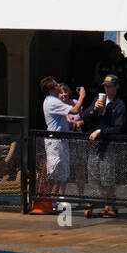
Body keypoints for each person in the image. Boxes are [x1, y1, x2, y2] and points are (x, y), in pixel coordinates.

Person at [81, 74, 127, 218]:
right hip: (94, 145)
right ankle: (101, 205)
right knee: (95, 176)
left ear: (116, 87)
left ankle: (111, 206)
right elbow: (85, 117)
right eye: (105, 86)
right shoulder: (98, 99)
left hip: (108, 145)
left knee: (108, 177)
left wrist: (100, 131)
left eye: (110, 86)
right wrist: (93, 109)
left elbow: (119, 127)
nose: (107, 89)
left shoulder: (119, 104)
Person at [35, 77, 77, 213]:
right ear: (51, 89)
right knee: (53, 172)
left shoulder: (55, 100)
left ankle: (58, 199)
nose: (59, 85)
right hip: (55, 141)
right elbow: (75, 111)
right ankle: (48, 201)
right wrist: (82, 96)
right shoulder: (52, 101)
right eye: (56, 85)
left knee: (63, 171)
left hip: (62, 139)